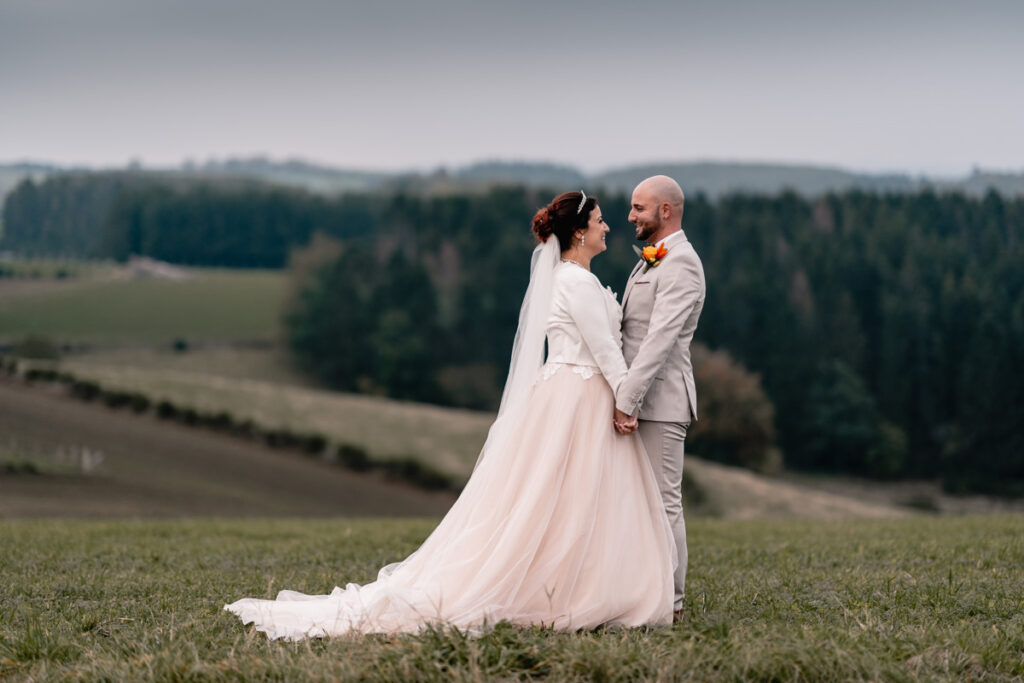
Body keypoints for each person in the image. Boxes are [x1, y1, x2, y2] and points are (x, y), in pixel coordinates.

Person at [224, 191, 676, 639]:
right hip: (578, 396)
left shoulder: (579, 279)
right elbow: (603, 352)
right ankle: (567, 589)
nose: (608, 226)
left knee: (571, 498)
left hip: (576, 393)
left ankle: (582, 583)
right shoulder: (575, 283)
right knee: (565, 496)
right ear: (579, 231)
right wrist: (626, 401)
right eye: (599, 220)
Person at [613, 175, 706, 622]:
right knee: (637, 503)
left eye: (639, 208)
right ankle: (638, 593)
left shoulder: (682, 263)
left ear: (665, 211)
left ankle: (673, 603)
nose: (630, 216)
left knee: (665, 503)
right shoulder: (655, 260)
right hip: (639, 400)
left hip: (661, 402)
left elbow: (660, 340)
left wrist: (626, 399)